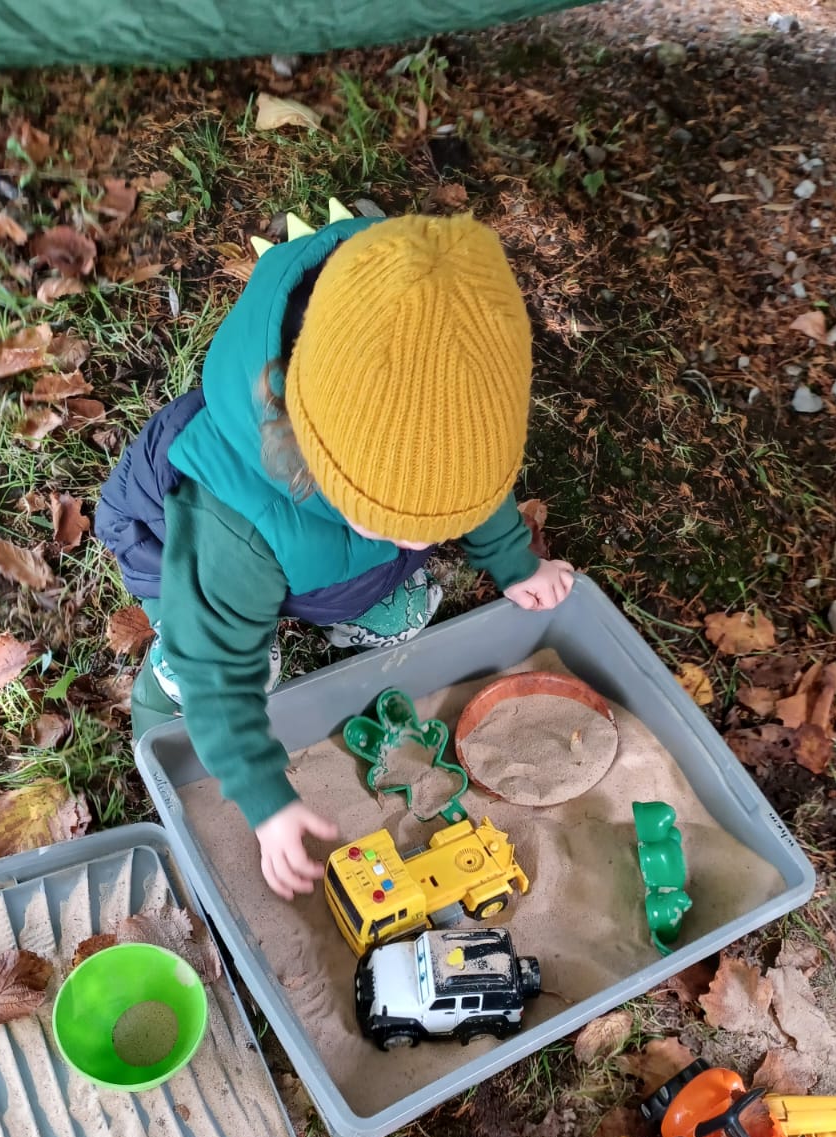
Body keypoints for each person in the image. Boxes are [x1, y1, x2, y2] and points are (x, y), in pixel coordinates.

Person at [96, 211, 575, 899]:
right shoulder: (235, 522)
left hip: (318, 554)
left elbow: (471, 490)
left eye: (439, 519)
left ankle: (346, 595)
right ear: (309, 451)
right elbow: (218, 668)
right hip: (195, 560)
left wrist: (510, 557)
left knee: (394, 595)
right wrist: (266, 800)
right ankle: (160, 699)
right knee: (220, 664)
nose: (421, 540)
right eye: (394, 517)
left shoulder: (444, 421)